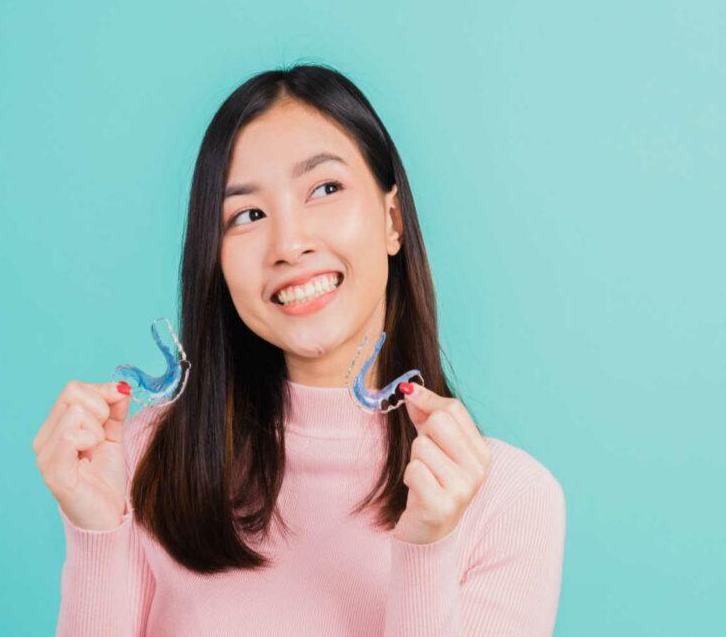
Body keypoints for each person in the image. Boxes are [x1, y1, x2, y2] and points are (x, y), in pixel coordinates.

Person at [32, 63, 566, 636]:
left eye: (325, 189)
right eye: (248, 215)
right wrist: (96, 532)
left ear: (392, 220)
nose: (289, 245)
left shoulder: (509, 500)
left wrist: (427, 549)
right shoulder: (143, 463)